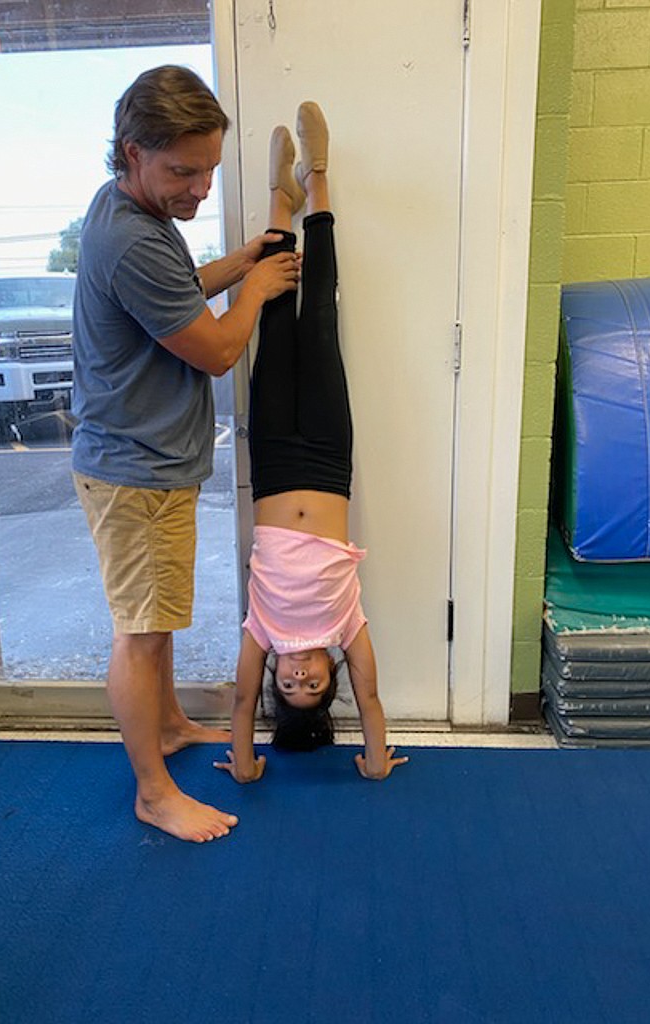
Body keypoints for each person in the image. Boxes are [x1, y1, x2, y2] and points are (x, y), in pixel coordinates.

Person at [71, 65, 300, 842]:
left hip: (146, 463)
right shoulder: (130, 237)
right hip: (134, 470)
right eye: (183, 171)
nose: (200, 188)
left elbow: (173, 292)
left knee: (157, 618)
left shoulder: (128, 209)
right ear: (132, 151)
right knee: (139, 631)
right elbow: (213, 352)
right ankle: (152, 793)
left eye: (208, 168)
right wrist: (257, 292)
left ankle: (166, 726)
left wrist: (238, 262)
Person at [214, 103, 408, 785]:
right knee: (318, 317)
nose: (298, 675)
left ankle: (278, 201)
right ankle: (316, 179)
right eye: (312, 685)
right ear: (330, 678)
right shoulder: (346, 623)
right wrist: (376, 761)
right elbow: (375, 698)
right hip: (326, 461)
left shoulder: (261, 630)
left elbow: (241, 704)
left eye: (288, 685)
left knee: (275, 327)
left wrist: (245, 767)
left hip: (271, 467)